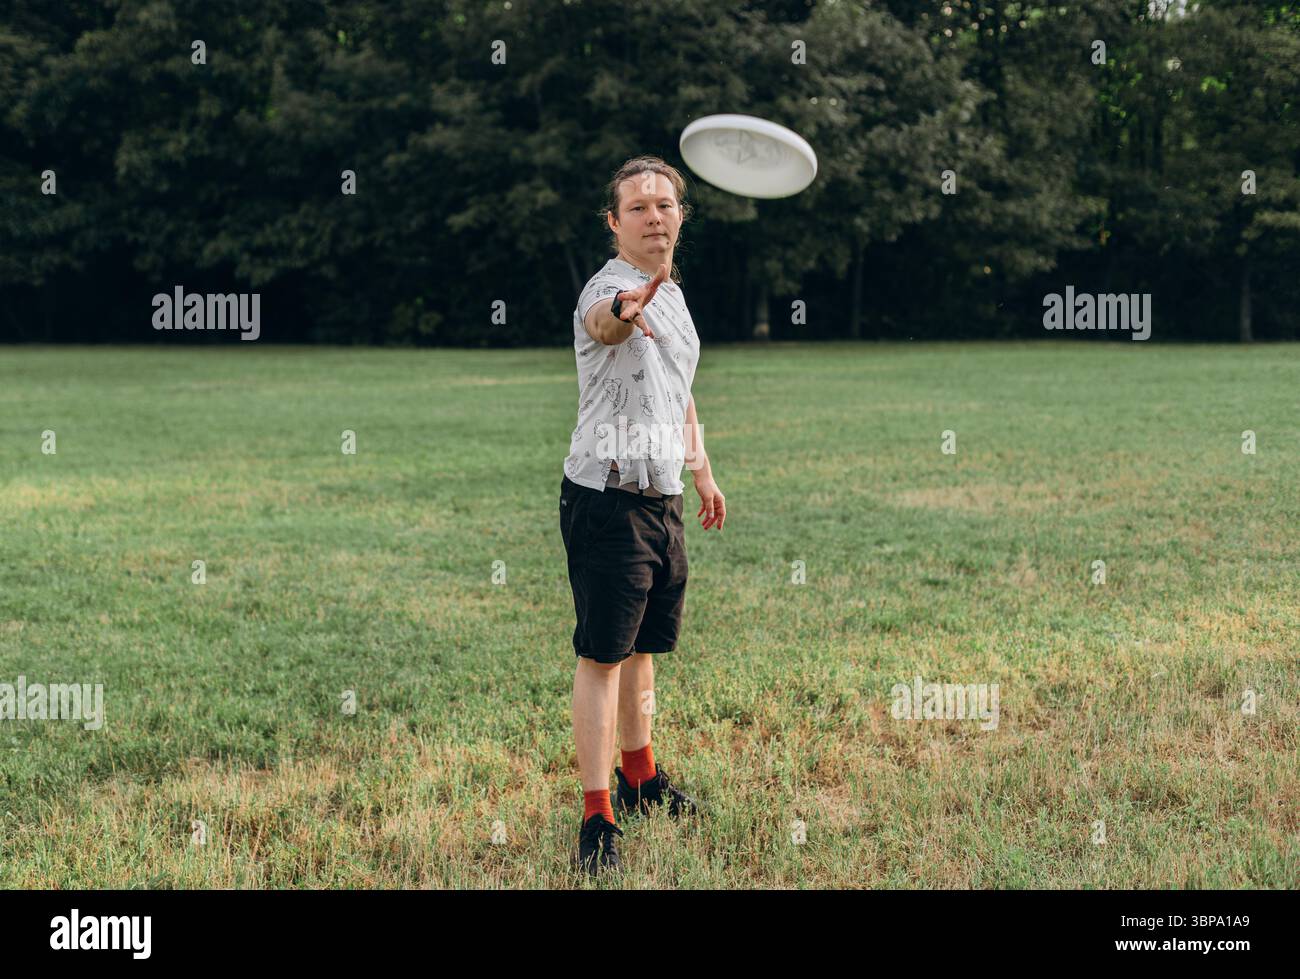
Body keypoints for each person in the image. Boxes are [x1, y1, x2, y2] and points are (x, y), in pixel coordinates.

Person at [560, 156, 726, 876]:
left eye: (666, 204)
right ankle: (597, 814)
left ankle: (641, 777)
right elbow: (606, 326)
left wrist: (702, 469)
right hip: (607, 499)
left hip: (661, 499)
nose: (655, 215)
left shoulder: (677, 299)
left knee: (643, 647)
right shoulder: (610, 290)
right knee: (603, 656)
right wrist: (627, 309)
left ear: (680, 216)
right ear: (614, 222)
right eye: (639, 207)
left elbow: (678, 389)